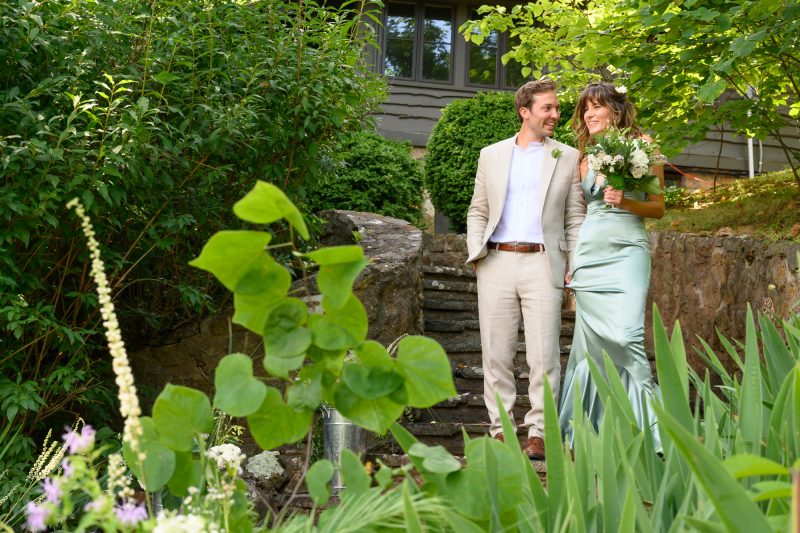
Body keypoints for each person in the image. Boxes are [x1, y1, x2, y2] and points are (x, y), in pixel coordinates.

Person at [466, 78, 586, 459]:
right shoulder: (492, 155)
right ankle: (501, 430)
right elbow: (478, 209)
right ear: (525, 112)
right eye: (547, 108)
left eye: (555, 107)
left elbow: (574, 217)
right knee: (497, 354)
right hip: (496, 261)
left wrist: (574, 264)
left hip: (542, 262)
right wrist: (476, 254)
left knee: (544, 354)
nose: (555, 113)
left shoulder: (566, 156)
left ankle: (540, 431)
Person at [558, 82, 665, 448]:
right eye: (585, 108)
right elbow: (577, 212)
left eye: (596, 107)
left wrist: (625, 202)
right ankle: (591, 433)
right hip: (590, 253)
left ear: (615, 112)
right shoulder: (582, 156)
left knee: (627, 335)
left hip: (628, 249)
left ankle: (653, 427)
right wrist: (571, 261)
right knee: (592, 345)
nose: (588, 114)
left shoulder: (644, 145)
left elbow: (658, 207)